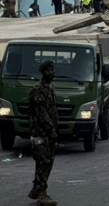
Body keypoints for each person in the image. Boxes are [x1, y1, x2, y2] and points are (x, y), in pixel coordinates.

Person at [28, 60, 58, 205]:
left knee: (48, 162)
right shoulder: (38, 90)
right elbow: (42, 114)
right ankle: (41, 194)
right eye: (48, 70)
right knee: (42, 162)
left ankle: (37, 188)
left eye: (52, 70)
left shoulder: (50, 89)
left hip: (48, 134)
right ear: (43, 72)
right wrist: (51, 130)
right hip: (40, 133)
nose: (51, 73)